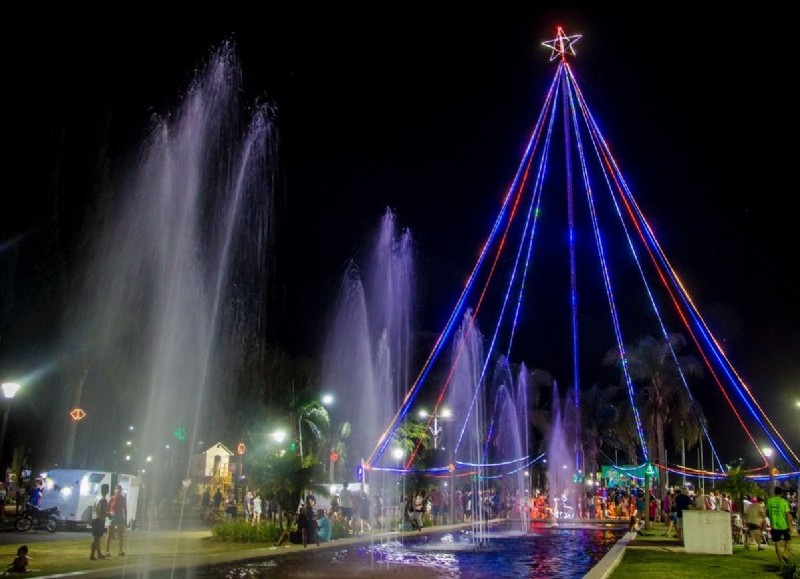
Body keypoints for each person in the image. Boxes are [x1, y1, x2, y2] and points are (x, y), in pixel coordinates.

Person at [765, 486, 794, 565]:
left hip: (774, 525)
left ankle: (781, 562)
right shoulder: (784, 502)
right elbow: (787, 515)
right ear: (781, 493)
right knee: (788, 540)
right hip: (783, 525)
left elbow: (766, 512)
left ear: (775, 492)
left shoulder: (769, 501)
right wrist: (790, 526)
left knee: (777, 543)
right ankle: (785, 553)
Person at [104, 484, 127, 557]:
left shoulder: (123, 498)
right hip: (113, 516)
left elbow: (125, 509)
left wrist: (125, 519)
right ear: (115, 490)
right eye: (117, 489)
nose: (118, 491)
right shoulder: (112, 498)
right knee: (110, 534)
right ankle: (107, 550)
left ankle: (120, 550)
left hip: (120, 516)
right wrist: (108, 514)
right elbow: (107, 509)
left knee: (120, 534)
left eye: (119, 490)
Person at [90, 484, 110, 561]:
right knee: (96, 539)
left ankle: (99, 554)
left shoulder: (97, 497)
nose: (107, 491)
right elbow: (102, 511)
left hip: (95, 519)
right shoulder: (103, 499)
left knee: (97, 538)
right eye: (107, 489)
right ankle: (92, 555)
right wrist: (108, 515)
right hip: (99, 520)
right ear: (104, 490)